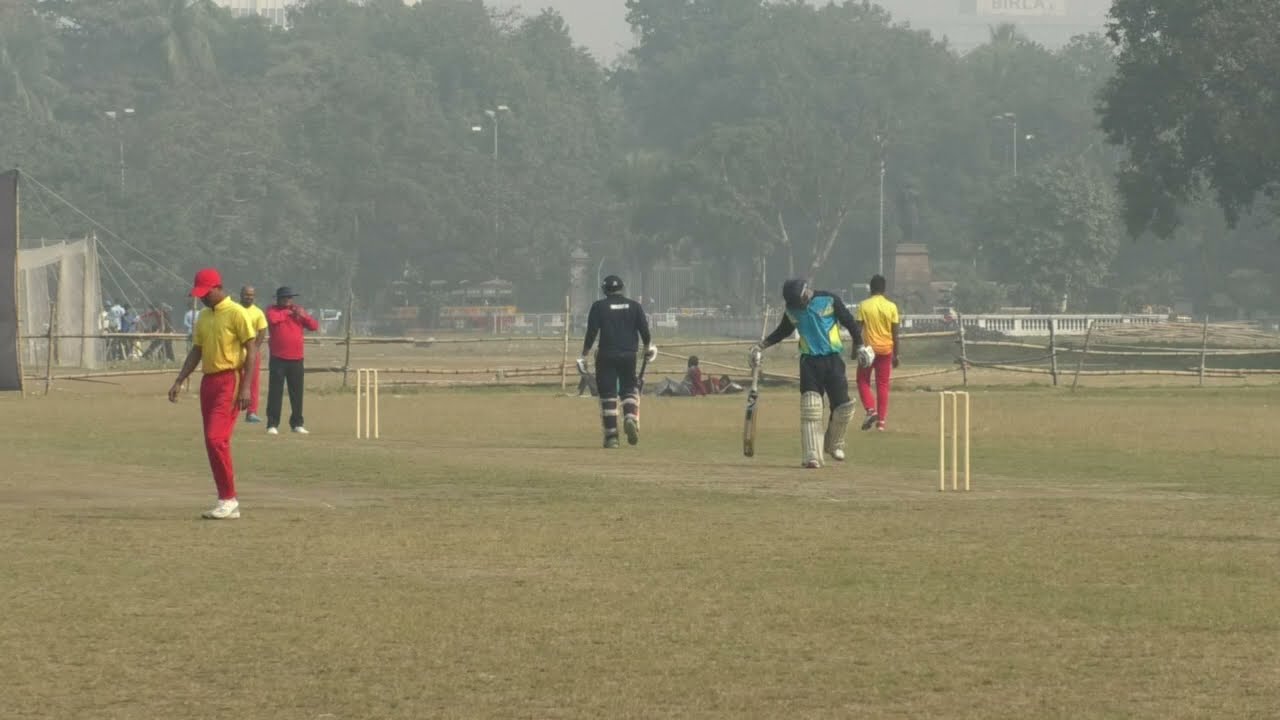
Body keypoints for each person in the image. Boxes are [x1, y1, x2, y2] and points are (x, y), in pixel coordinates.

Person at [750, 278, 870, 468]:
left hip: (833, 359)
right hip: (809, 362)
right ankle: (811, 455)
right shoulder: (792, 309)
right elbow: (782, 331)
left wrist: (861, 346)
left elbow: (850, 322)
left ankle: (834, 444)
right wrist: (760, 346)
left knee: (843, 407)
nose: (798, 306)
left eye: (799, 302)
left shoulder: (829, 300)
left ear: (806, 292)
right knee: (811, 407)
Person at [167, 268, 256, 520]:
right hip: (209, 382)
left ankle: (229, 499)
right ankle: (226, 499)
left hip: (230, 379)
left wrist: (247, 387)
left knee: (216, 439)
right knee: (213, 442)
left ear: (218, 287)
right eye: (200, 294)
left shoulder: (237, 312)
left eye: (206, 293)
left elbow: (252, 349)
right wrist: (180, 379)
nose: (203, 298)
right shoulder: (204, 316)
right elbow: (197, 350)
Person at [578, 274, 656, 448]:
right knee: (629, 390)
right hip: (629, 355)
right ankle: (629, 416)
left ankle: (612, 437)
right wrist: (648, 348)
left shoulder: (599, 307)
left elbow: (591, 332)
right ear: (622, 288)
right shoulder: (635, 306)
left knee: (608, 395)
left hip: (606, 355)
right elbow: (645, 331)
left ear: (605, 289)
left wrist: (584, 354)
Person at [264, 286, 319, 435]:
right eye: (285, 298)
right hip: (278, 358)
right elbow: (273, 320)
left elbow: (314, 326)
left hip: (296, 358)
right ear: (278, 299)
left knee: (297, 393)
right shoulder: (272, 310)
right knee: (275, 392)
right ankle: (272, 424)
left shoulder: (298, 311)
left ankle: (297, 424)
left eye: (290, 298)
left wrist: (303, 316)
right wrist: (289, 313)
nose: (288, 300)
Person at [855, 274, 901, 432]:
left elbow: (857, 330)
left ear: (871, 288)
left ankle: (870, 409)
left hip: (869, 351)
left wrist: (855, 349)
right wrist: (897, 354)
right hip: (886, 349)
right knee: (883, 385)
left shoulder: (864, 305)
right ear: (884, 289)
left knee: (862, 380)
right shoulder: (891, 306)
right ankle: (881, 422)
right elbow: (895, 333)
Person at [238, 286, 269, 424]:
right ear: (241, 295)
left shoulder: (258, 312)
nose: (249, 297)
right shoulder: (234, 310)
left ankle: (252, 412)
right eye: (246, 294)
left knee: (253, 382)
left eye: (251, 295)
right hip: (234, 352)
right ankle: (230, 409)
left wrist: (255, 348)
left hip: (251, 352)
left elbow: (262, 331)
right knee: (233, 380)